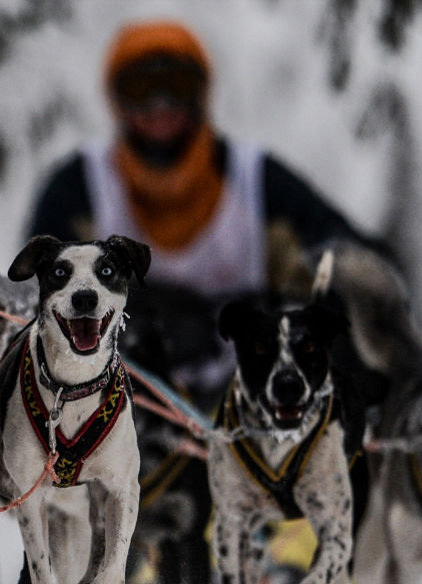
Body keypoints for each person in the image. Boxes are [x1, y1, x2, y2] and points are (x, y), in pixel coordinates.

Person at [28, 19, 377, 406]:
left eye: (175, 87)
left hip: (253, 402)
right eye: (141, 89)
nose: (159, 106)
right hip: (117, 407)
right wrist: (144, 318)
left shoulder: (255, 181)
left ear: (201, 94)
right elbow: (38, 298)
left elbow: (354, 266)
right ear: (118, 102)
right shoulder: (81, 189)